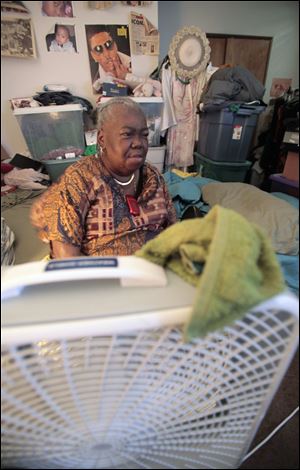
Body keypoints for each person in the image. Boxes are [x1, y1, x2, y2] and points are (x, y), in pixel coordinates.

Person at [30, 97, 177, 259]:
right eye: (127, 134)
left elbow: (173, 230)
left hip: (156, 270)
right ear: (102, 139)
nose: (139, 143)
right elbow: (67, 259)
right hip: (103, 277)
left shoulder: (153, 177)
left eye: (144, 135)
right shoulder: (79, 181)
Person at [86, 27, 131, 92]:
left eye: (108, 45)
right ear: (93, 56)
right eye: (98, 49)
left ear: (115, 45)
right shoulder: (95, 82)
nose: (107, 54)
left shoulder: (133, 61)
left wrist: (128, 79)